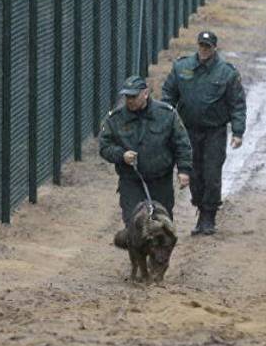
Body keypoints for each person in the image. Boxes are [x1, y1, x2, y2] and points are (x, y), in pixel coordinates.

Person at [162, 31, 246, 236]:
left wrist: (238, 131)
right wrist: (166, 121)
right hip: (188, 130)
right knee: (193, 172)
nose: (204, 50)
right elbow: (168, 94)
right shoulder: (182, 67)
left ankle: (208, 216)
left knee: (211, 173)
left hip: (214, 131)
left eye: (208, 46)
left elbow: (237, 104)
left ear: (214, 48)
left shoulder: (226, 73)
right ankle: (199, 203)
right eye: (201, 45)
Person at [99, 76, 193, 232]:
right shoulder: (115, 119)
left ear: (145, 94)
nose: (130, 100)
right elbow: (104, 147)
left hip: (160, 180)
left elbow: (182, 143)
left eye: (134, 96)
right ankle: (138, 255)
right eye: (127, 96)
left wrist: (184, 170)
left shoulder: (166, 115)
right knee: (133, 223)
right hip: (131, 180)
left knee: (162, 226)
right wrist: (121, 155)